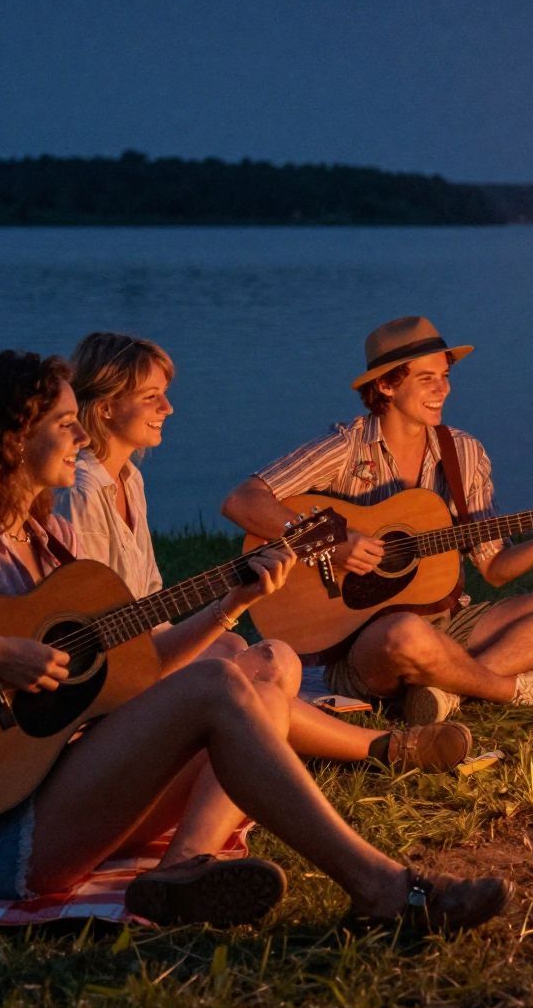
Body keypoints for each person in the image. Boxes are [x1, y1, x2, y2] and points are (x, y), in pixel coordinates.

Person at [0, 351, 509, 931]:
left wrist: (232, 605)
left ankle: (178, 873)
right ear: (9, 438)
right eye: (63, 422)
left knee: (259, 689)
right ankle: (384, 889)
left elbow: (130, 681)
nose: (81, 434)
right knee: (223, 687)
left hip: (39, 795)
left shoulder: (54, 545)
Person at [58, 331, 470, 773]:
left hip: (141, 649)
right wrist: (229, 604)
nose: (168, 408)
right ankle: (385, 747)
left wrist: (219, 615)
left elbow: (150, 601)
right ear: (105, 408)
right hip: (111, 680)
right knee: (265, 664)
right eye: (152, 397)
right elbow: (102, 625)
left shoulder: (128, 481)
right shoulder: (82, 493)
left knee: (240, 647)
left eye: (166, 395)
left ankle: (285, 741)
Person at [220, 316, 533, 725]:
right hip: (362, 641)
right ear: (386, 385)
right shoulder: (345, 446)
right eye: (427, 379)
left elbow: (493, 569)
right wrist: (334, 543)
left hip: (447, 621)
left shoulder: (463, 453)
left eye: (444, 375)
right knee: (405, 631)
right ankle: (506, 690)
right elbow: (243, 501)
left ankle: (443, 690)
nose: (443, 389)